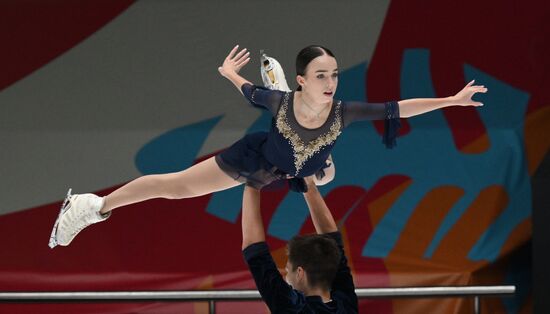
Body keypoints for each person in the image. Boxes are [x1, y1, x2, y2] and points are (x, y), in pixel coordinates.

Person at [49, 44, 487, 248]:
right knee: (178, 187)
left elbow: (398, 108)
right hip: (259, 158)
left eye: (334, 74)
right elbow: (247, 89)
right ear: (301, 81)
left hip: (297, 165)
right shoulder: (278, 99)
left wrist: (451, 99)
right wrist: (227, 73)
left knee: (320, 168)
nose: (331, 82)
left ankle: (317, 162)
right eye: (321, 76)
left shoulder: (344, 111)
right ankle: (93, 206)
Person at [242, 176, 358, 313]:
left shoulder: (292, 306)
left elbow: (256, 252)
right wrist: (253, 183)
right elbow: (254, 249)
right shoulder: (345, 306)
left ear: (300, 272)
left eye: (287, 270)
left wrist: (308, 185)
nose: (286, 277)